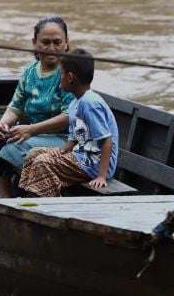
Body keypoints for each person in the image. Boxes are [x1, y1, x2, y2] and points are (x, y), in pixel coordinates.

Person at [0, 16, 75, 198]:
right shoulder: (30, 71)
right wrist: (3, 125)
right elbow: (15, 106)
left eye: (57, 42)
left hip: (64, 138)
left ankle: (29, 189)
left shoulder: (69, 73)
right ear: (34, 43)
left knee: (14, 146)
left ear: (66, 42)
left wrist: (31, 129)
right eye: (45, 42)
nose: (51, 48)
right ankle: (6, 195)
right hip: (35, 134)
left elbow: (69, 116)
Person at [18, 48, 119, 198]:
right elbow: (74, 138)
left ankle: (42, 204)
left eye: (61, 75)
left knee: (44, 162)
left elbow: (107, 140)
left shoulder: (89, 103)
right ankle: (27, 196)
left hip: (95, 165)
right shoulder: (75, 102)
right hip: (81, 156)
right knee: (34, 153)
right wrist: (62, 151)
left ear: (70, 77)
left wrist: (102, 176)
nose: (60, 79)